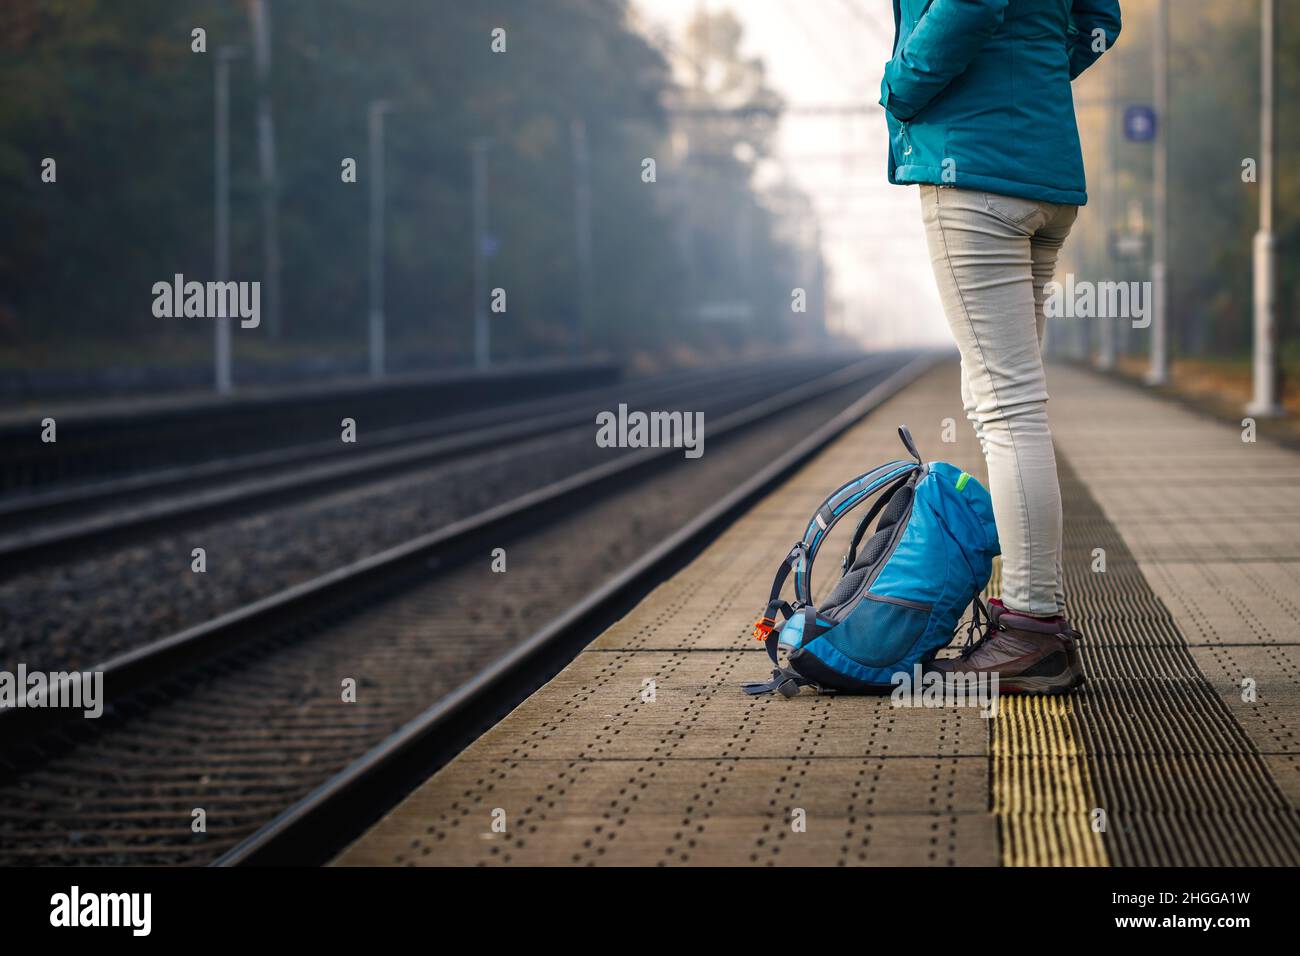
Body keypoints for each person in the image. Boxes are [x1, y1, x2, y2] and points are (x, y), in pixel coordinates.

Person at [879, 0, 1122, 693]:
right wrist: (1032, 74)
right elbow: (1101, 16)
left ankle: (1031, 630)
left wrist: (902, 87)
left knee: (1005, 409)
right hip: (1043, 174)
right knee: (1016, 404)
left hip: (975, 171)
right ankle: (1032, 625)